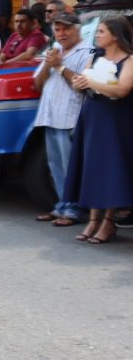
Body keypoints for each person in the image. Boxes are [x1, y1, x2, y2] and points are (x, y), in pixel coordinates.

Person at [64, 15, 133, 245]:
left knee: (111, 167)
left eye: (101, 31)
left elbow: (121, 90)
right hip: (92, 115)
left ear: (115, 36)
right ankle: (93, 220)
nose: (97, 35)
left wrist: (90, 82)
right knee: (92, 165)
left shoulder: (130, 60)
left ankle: (109, 222)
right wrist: (79, 83)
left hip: (115, 119)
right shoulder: (95, 56)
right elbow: (82, 82)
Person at [30, 13, 90, 227]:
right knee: (55, 164)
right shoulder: (54, 50)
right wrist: (49, 65)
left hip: (70, 116)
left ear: (77, 29)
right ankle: (62, 205)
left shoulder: (87, 51)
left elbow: (83, 85)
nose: (62, 33)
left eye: (66, 28)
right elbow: (37, 85)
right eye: (57, 29)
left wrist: (59, 66)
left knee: (69, 165)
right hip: (50, 115)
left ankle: (74, 209)